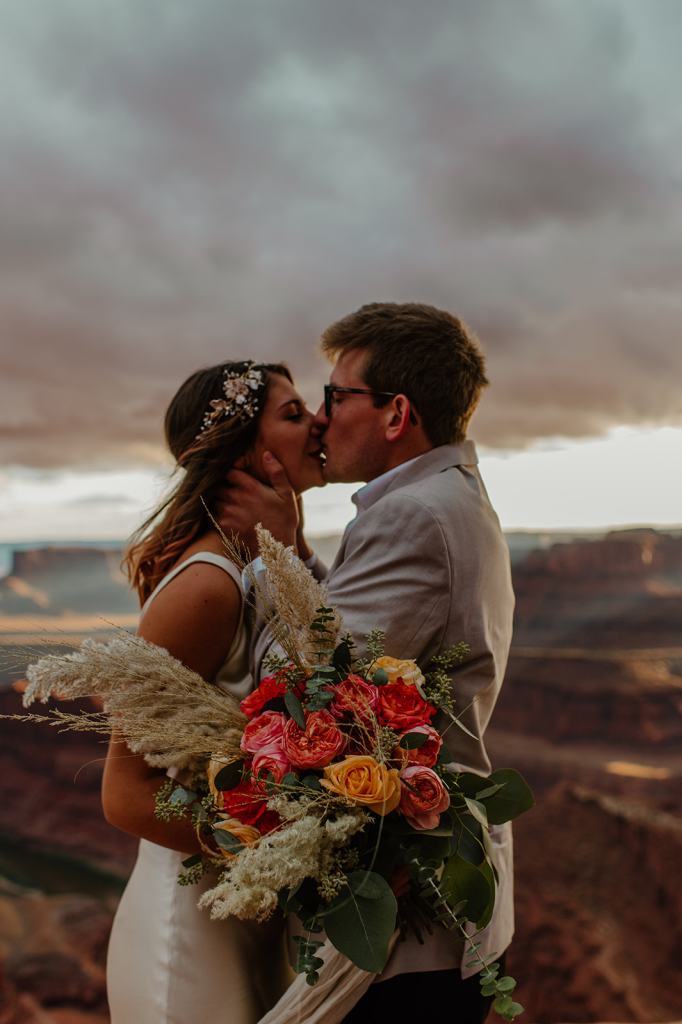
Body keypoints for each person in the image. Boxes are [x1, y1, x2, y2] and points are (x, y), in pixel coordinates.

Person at [218, 303, 515, 1024]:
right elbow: (357, 636)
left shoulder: (415, 514)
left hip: (409, 947)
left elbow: (300, 681)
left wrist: (270, 559)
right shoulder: (441, 498)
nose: (321, 419)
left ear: (396, 414)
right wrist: (300, 553)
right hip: (430, 926)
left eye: (335, 395)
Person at [102, 359, 325, 1024]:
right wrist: (288, 845)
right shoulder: (208, 586)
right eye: (293, 414)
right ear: (247, 451)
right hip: (191, 933)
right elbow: (125, 791)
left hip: (251, 913)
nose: (318, 423)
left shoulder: (260, 566)